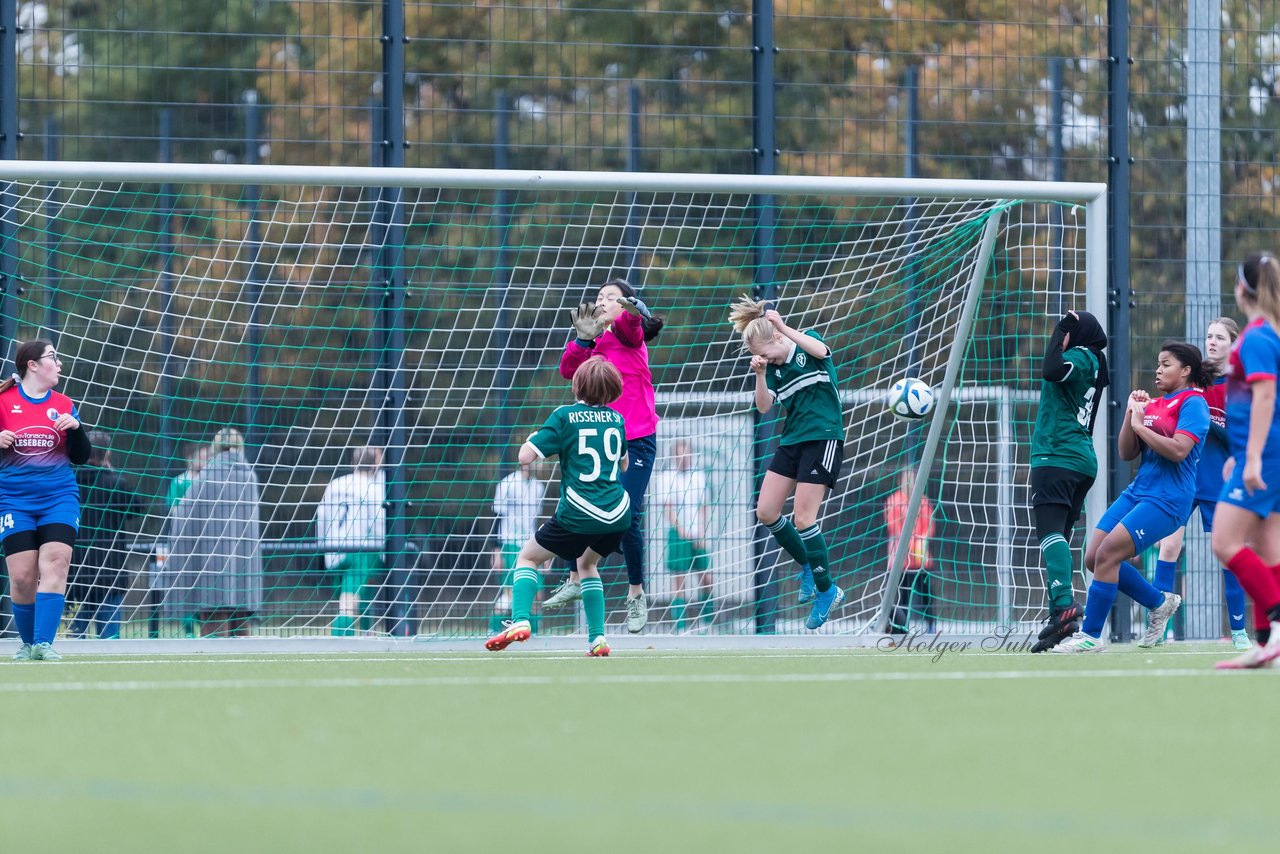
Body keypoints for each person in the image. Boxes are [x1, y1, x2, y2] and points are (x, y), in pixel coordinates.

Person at [1054, 342, 1212, 652]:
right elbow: (1126, 452)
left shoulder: (1194, 403)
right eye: (1157, 363)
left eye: (1166, 364)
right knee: (1093, 557)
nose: (1158, 369)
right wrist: (1131, 415)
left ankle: (1091, 636)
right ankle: (1158, 602)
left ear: (1186, 371)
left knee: (1109, 554)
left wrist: (1141, 425)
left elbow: (1180, 451)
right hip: (1139, 491)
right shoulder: (1153, 404)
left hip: (1168, 499)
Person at [486, 357, 631, 656]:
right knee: (587, 565)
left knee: (527, 557)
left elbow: (525, 457)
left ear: (577, 385)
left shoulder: (565, 416)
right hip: (617, 512)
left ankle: (521, 621)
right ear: (613, 389)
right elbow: (624, 463)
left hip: (579, 510)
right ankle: (598, 639)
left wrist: (538, 437)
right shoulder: (618, 420)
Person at [544, 277, 666, 633]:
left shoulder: (628, 334)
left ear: (624, 305)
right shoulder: (594, 343)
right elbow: (569, 371)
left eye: (612, 297)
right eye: (599, 297)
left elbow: (632, 325)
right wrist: (582, 339)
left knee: (628, 513)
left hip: (636, 438)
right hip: (599, 435)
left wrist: (634, 311)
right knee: (578, 501)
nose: (602, 301)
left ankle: (635, 594)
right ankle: (574, 578)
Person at [727, 295, 846, 630]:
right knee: (766, 511)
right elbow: (764, 407)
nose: (762, 359)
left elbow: (822, 353)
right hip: (792, 440)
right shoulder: (774, 370)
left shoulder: (806, 342)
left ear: (778, 336)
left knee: (805, 518)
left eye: (764, 353)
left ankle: (827, 590)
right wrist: (761, 374)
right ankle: (808, 564)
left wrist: (783, 326)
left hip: (823, 437)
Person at [1150, 317, 1252, 650]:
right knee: (1169, 546)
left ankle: (1238, 632)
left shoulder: (1240, 384)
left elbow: (1240, 435)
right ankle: (1158, 629)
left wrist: (1208, 423)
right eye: (1208, 336)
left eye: (1219, 337)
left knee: (1227, 553)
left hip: (1218, 477)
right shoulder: (1191, 380)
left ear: (1233, 343)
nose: (1211, 341)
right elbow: (1171, 418)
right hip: (1185, 476)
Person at [0, 339, 92, 661]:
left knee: (55, 564)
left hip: (59, 498)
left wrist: (78, 429)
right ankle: (27, 645)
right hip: (13, 501)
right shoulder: (3, 401)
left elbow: (81, 456)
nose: (60, 364)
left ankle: (43, 644)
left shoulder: (65, 404)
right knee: (23, 578)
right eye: (53, 357)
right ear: (33, 365)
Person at [1211, 253, 1280, 669]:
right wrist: (1242, 455)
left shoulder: (1255, 337)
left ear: (1242, 288)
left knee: (1225, 541)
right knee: (1266, 549)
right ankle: (1265, 643)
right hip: (1262, 454)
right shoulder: (1266, 334)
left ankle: (1275, 627)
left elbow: (1266, 397)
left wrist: (1251, 457)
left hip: (1265, 456)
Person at [1027, 309, 1110, 653]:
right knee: (1059, 535)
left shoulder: (1080, 356)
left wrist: (1061, 331)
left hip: (1057, 455)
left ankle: (1063, 605)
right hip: (1081, 459)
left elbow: (1049, 370)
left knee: (1048, 533)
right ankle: (1057, 619)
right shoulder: (1097, 364)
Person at [167, 427, 262, 637]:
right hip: (244, 559)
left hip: (211, 561)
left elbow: (183, 513)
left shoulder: (207, 476)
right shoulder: (250, 476)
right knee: (241, 617)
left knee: (213, 618)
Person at [68, 431, 144, 639]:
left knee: (72, 637)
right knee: (109, 639)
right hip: (109, 572)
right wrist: (113, 473)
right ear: (107, 455)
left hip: (74, 572)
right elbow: (138, 507)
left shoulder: (68, 482)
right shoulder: (115, 483)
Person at [316, 446, 385, 636]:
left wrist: (323, 545)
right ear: (374, 464)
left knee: (353, 594)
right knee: (349, 602)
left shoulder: (336, 484)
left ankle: (366, 632)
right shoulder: (374, 488)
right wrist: (384, 547)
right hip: (360, 548)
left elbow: (321, 516)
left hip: (334, 548)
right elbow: (378, 522)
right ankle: (341, 637)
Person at [154, 442, 211, 637]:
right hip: (184, 540)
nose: (204, 461)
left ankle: (206, 626)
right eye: (201, 457)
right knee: (185, 584)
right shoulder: (179, 482)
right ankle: (188, 629)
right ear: (190, 458)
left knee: (204, 584)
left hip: (206, 541)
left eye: (207, 457)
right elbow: (173, 510)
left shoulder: (210, 481)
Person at [661, 439, 713, 632]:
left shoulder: (698, 476)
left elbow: (704, 506)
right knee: (680, 579)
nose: (684, 459)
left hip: (697, 533)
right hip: (677, 533)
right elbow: (668, 507)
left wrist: (702, 531)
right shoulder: (667, 477)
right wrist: (681, 528)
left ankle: (706, 622)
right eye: (680, 455)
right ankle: (680, 625)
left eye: (687, 454)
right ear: (675, 457)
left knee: (707, 577)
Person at [489, 459, 546, 631]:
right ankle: (493, 630)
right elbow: (496, 518)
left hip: (532, 544)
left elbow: (538, 521)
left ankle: (533, 633)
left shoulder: (539, 486)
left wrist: (546, 550)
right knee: (509, 593)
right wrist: (496, 550)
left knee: (537, 594)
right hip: (510, 544)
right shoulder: (507, 483)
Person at [885, 468, 935, 634]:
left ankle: (930, 627)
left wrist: (920, 542)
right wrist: (911, 544)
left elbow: (929, 526)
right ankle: (900, 627)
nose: (911, 483)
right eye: (908, 479)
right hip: (901, 561)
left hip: (921, 561)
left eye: (913, 479)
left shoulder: (923, 501)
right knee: (902, 598)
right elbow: (894, 527)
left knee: (927, 596)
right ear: (900, 482)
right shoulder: (894, 501)